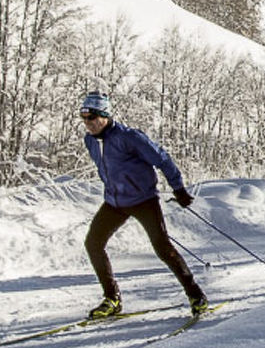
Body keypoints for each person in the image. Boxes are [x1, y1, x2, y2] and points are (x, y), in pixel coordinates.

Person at [78, 91, 210, 319]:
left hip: (143, 201)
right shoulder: (90, 141)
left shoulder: (129, 137)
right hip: (114, 202)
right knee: (93, 243)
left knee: (163, 249)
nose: (87, 123)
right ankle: (112, 299)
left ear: (105, 115)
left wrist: (178, 188)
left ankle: (196, 295)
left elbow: (161, 158)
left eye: (92, 118)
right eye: (84, 118)